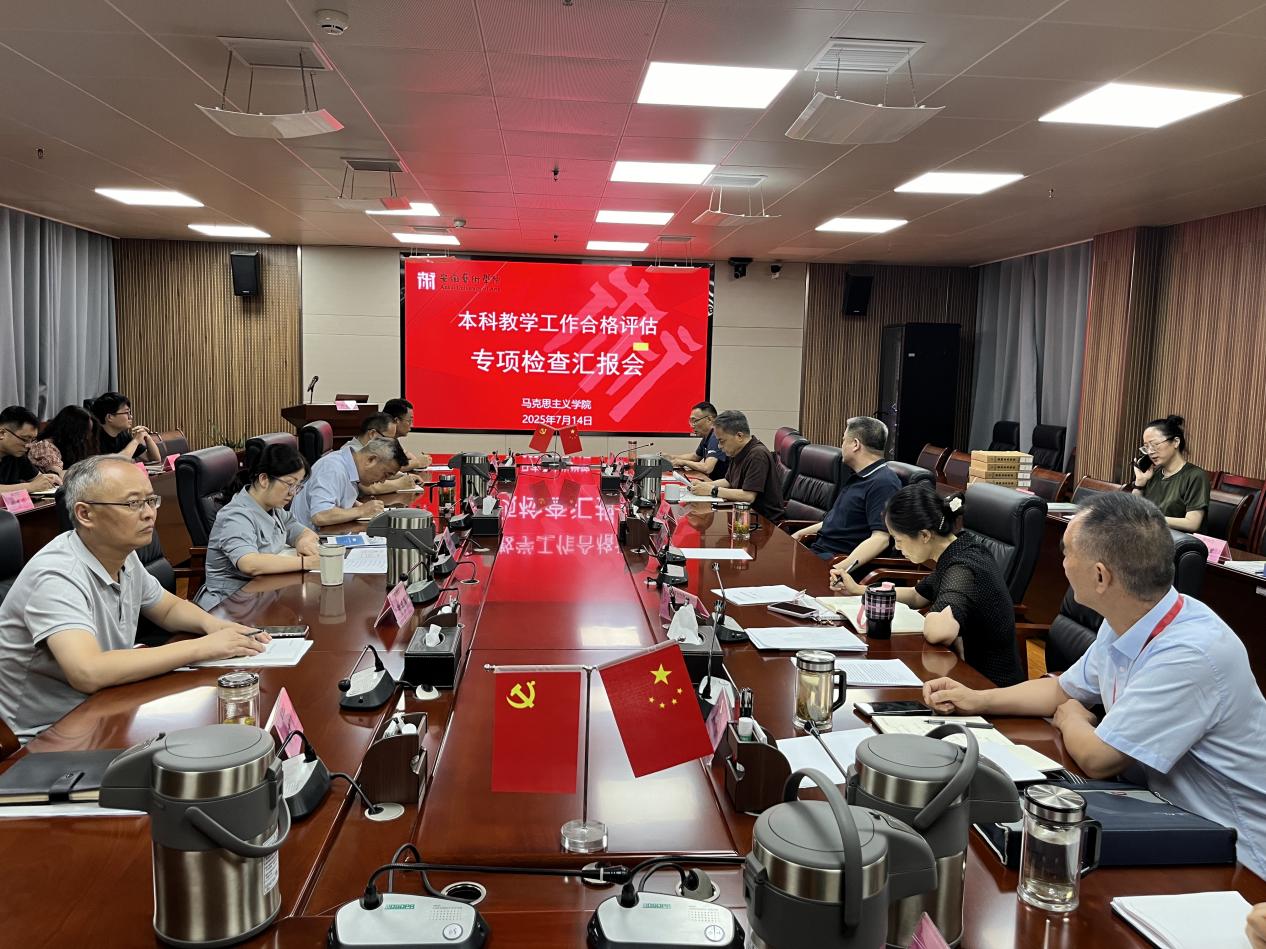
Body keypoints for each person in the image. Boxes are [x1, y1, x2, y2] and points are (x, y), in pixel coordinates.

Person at [923, 492, 1266, 877]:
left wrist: (1071, 718)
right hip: (1162, 815)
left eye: (1067, 553)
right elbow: (1060, 691)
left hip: (1238, 860)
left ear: (1101, 576)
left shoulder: (1190, 653)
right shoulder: (1131, 616)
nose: (1062, 562)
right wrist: (977, 699)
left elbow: (1099, 758)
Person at [0, 455, 267, 740]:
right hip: (46, 736)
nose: (149, 513)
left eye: (151, 501)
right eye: (133, 504)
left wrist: (216, 626)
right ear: (85, 514)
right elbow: (87, 671)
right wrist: (202, 647)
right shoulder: (56, 575)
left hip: (106, 706)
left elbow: (167, 608)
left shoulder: (121, 554)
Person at [833, 485, 1025, 687]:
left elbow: (940, 632)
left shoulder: (962, 568)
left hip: (987, 686)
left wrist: (936, 617)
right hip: (964, 675)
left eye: (899, 539)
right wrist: (858, 589)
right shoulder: (961, 548)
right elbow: (917, 595)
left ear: (924, 535)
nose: (897, 547)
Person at [195, 443, 321, 609]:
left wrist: (303, 541)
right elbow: (249, 563)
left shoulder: (274, 509)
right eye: (289, 484)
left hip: (264, 597)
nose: (293, 493)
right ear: (264, 479)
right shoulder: (235, 516)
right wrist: (307, 563)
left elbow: (303, 532)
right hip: (230, 605)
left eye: (297, 486)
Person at [792, 416, 899, 567]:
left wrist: (839, 568)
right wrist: (799, 534)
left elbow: (880, 539)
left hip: (835, 561)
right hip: (819, 552)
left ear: (855, 444)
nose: (841, 446)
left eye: (843, 440)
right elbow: (835, 522)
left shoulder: (883, 483)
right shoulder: (859, 476)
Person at [288, 437, 407, 528]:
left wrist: (358, 505)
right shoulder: (332, 468)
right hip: (308, 542)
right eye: (385, 474)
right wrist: (362, 510)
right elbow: (320, 515)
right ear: (371, 459)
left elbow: (337, 496)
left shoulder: (349, 465)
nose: (383, 480)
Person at [692, 410, 786, 525]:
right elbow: (728, 481)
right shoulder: (737, 451)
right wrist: (704, 485)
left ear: (739, 436)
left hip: (764, 523)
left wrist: (712, 490)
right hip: (743, 516)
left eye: (721, 441)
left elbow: (748, 496)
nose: (719, 446)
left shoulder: (757, 455)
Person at [1128, 414, 1209, 532]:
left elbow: (1192, 523)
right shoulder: (1153, 474)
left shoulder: (1195, 476)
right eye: (1146, 447)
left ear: (1175, 442)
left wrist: (1152, 518)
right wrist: (1139, 483)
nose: (1150, 451)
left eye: (1154, 445)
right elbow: (1132, 513)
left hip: (1178, 540)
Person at [348, 413, 424, 496]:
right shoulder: (353, 453)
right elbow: (370, 488)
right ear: (373, 434)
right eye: (388, 439)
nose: (391, 443)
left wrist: (404, 476)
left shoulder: (367, 449)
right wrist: (399, 483)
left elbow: (383, 469)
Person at [0, 405, 61, 493]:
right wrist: (30, 486)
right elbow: (33, 485)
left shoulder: (18, 455)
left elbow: (37, 478)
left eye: (32, 440)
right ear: (2, 433)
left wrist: (49, 479)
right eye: (25, 439)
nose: (29, 445)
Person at [27, 405, 100, 475]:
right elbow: (58, 475)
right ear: (72, 432)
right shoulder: (44, 447)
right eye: (85, 432)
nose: (88, 437)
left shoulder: (69, 447)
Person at [90, 391, 161, 462]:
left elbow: (155, 459)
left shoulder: (123, 435)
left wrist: (147, 437)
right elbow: (114, 463)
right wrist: (136, 441)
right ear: (109, 417)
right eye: (126, 413)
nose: (131, 417)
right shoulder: (93, 439)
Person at [667, 401, 728, 479]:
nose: (692, 426)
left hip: (720, 484)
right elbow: (695, 456)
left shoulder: (715, 436)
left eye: (695, 421)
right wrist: (671, 457)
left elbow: (707, 468)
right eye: (691, 421)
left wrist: (683, 462)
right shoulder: (707, 436)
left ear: (709, 419)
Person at [383, 398, 433, 470]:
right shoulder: (381, 439)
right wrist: (417, 462)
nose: (411, 425)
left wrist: (408, 456)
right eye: (409, 420)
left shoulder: (393, 439)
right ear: (396, 421)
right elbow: (387, 468)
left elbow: (402, 459)